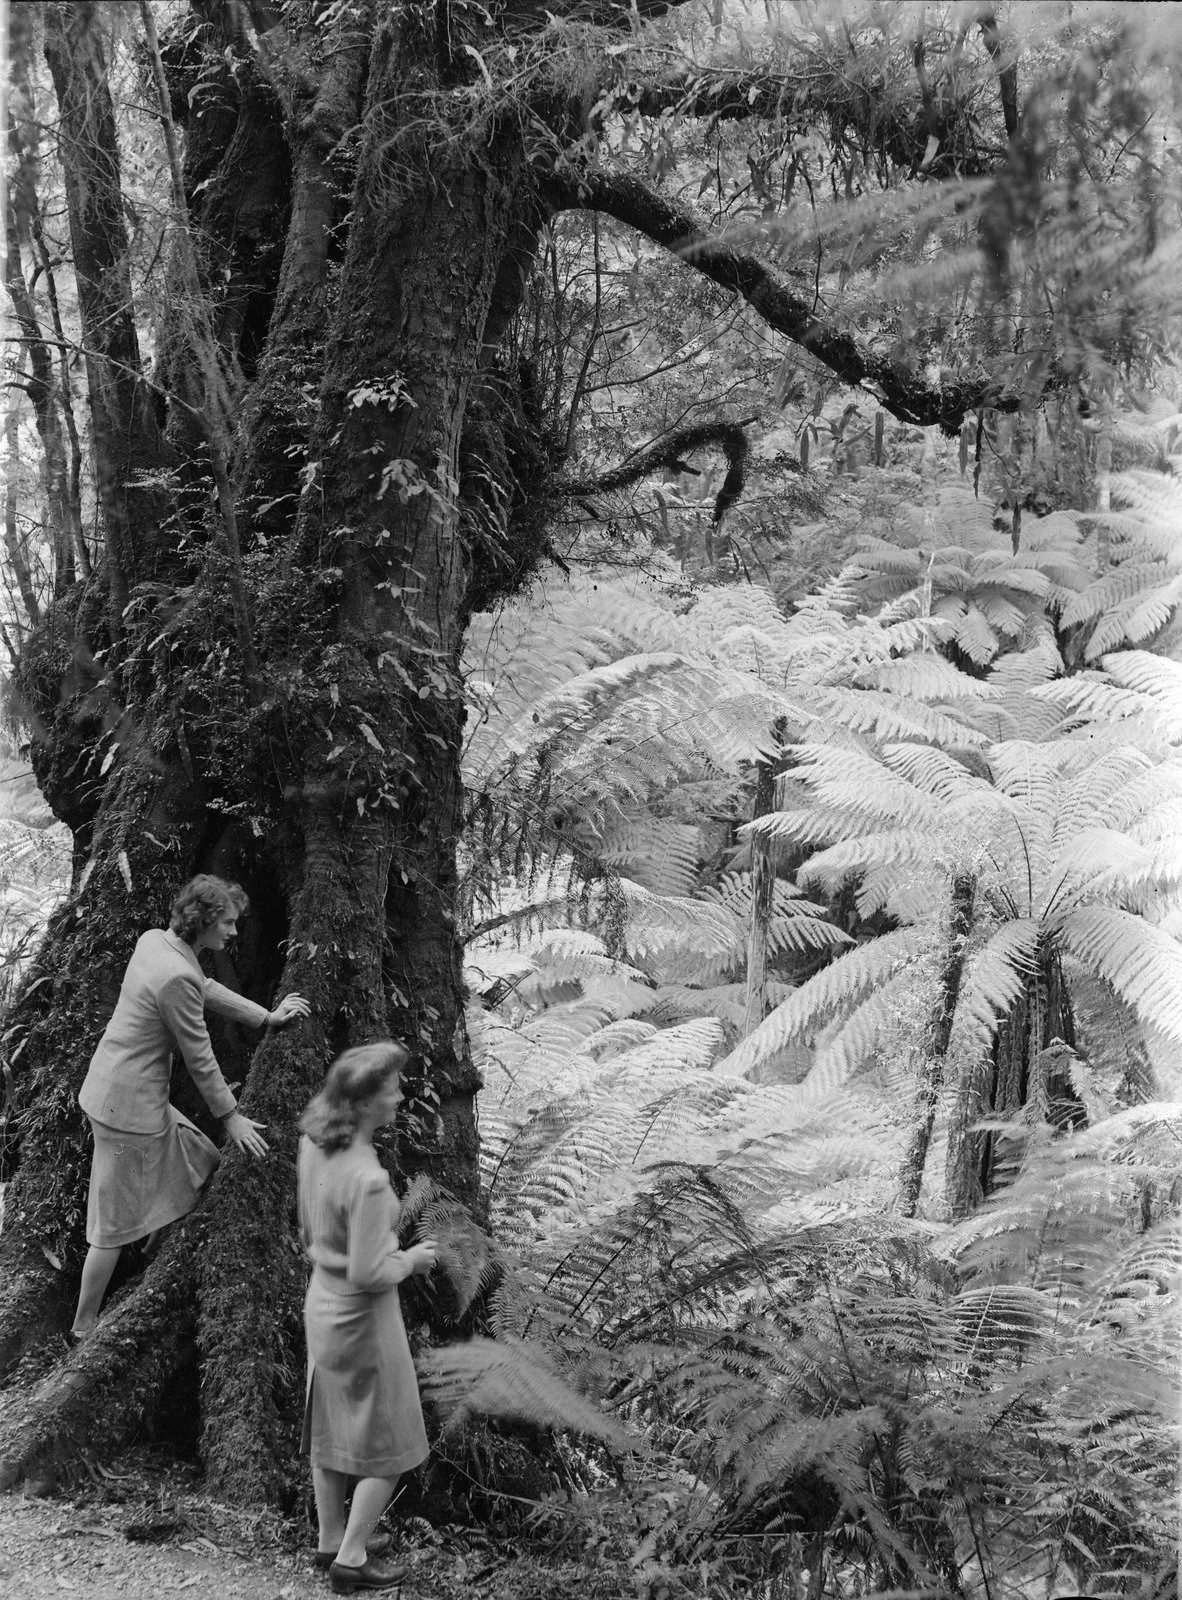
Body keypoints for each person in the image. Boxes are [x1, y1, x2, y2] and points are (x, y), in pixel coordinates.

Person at [71, 874, 310, 1338]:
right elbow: (200, 1057)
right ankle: (82, 1326)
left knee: (200, 1157)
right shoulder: (175, 975)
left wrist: (265, 1017)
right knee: (110, 1226)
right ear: (202, 920)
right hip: (128, 1109)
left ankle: (153, 1241)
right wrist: (231, 1116)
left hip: (116, 1089)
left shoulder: (157, 942)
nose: (234, 932)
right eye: (227, 923)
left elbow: (203, 987)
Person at [298, 1041, 437, 1594]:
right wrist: (413, 1259)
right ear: (364, 1104)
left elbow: (316, 1231)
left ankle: (331, 1538)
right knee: (397, 1442)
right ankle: (351, 1559)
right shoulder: (370, 1179)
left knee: (331, 1428)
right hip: (363, 1317)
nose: (401, 1096)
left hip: (320, 1304)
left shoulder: (313, 1143)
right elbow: (369, 1272)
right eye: (393, 1089)